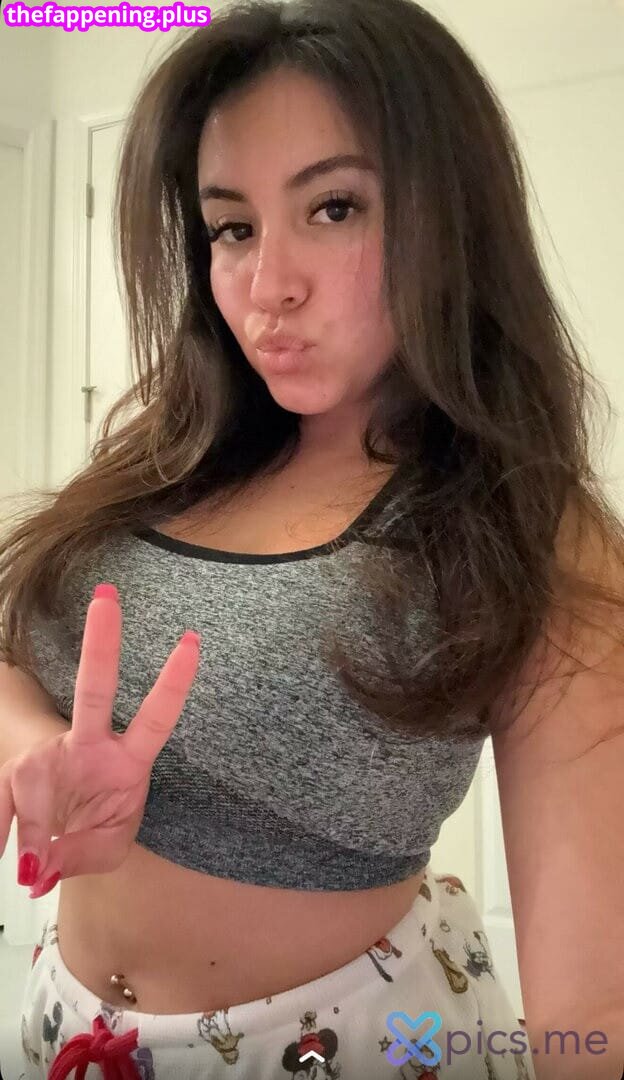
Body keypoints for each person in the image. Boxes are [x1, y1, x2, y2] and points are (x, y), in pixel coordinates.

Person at [0, 0, 622, 1077]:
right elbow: (17, 654)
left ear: (451, 220)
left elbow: (597, 1014)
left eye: (334, 208)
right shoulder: (169, 457)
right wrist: (30, 752)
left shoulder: (523, 527)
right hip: (61, 1031)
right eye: (232, 228)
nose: (268, 286)